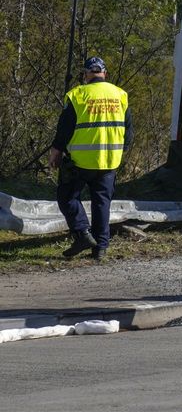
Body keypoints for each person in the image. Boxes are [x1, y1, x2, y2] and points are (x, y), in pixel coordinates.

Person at [49, 56, 131, 261]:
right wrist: (121, 150)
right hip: (110, 160)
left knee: (67, 197)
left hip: (81, 160)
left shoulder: (77, 95)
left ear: (86, 75)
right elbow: (129, 132)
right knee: (102, 203)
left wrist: (56, 151)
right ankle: (101, 247)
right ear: (105, 74)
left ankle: (82, 233)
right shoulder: (120, 95)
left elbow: (64, 129)